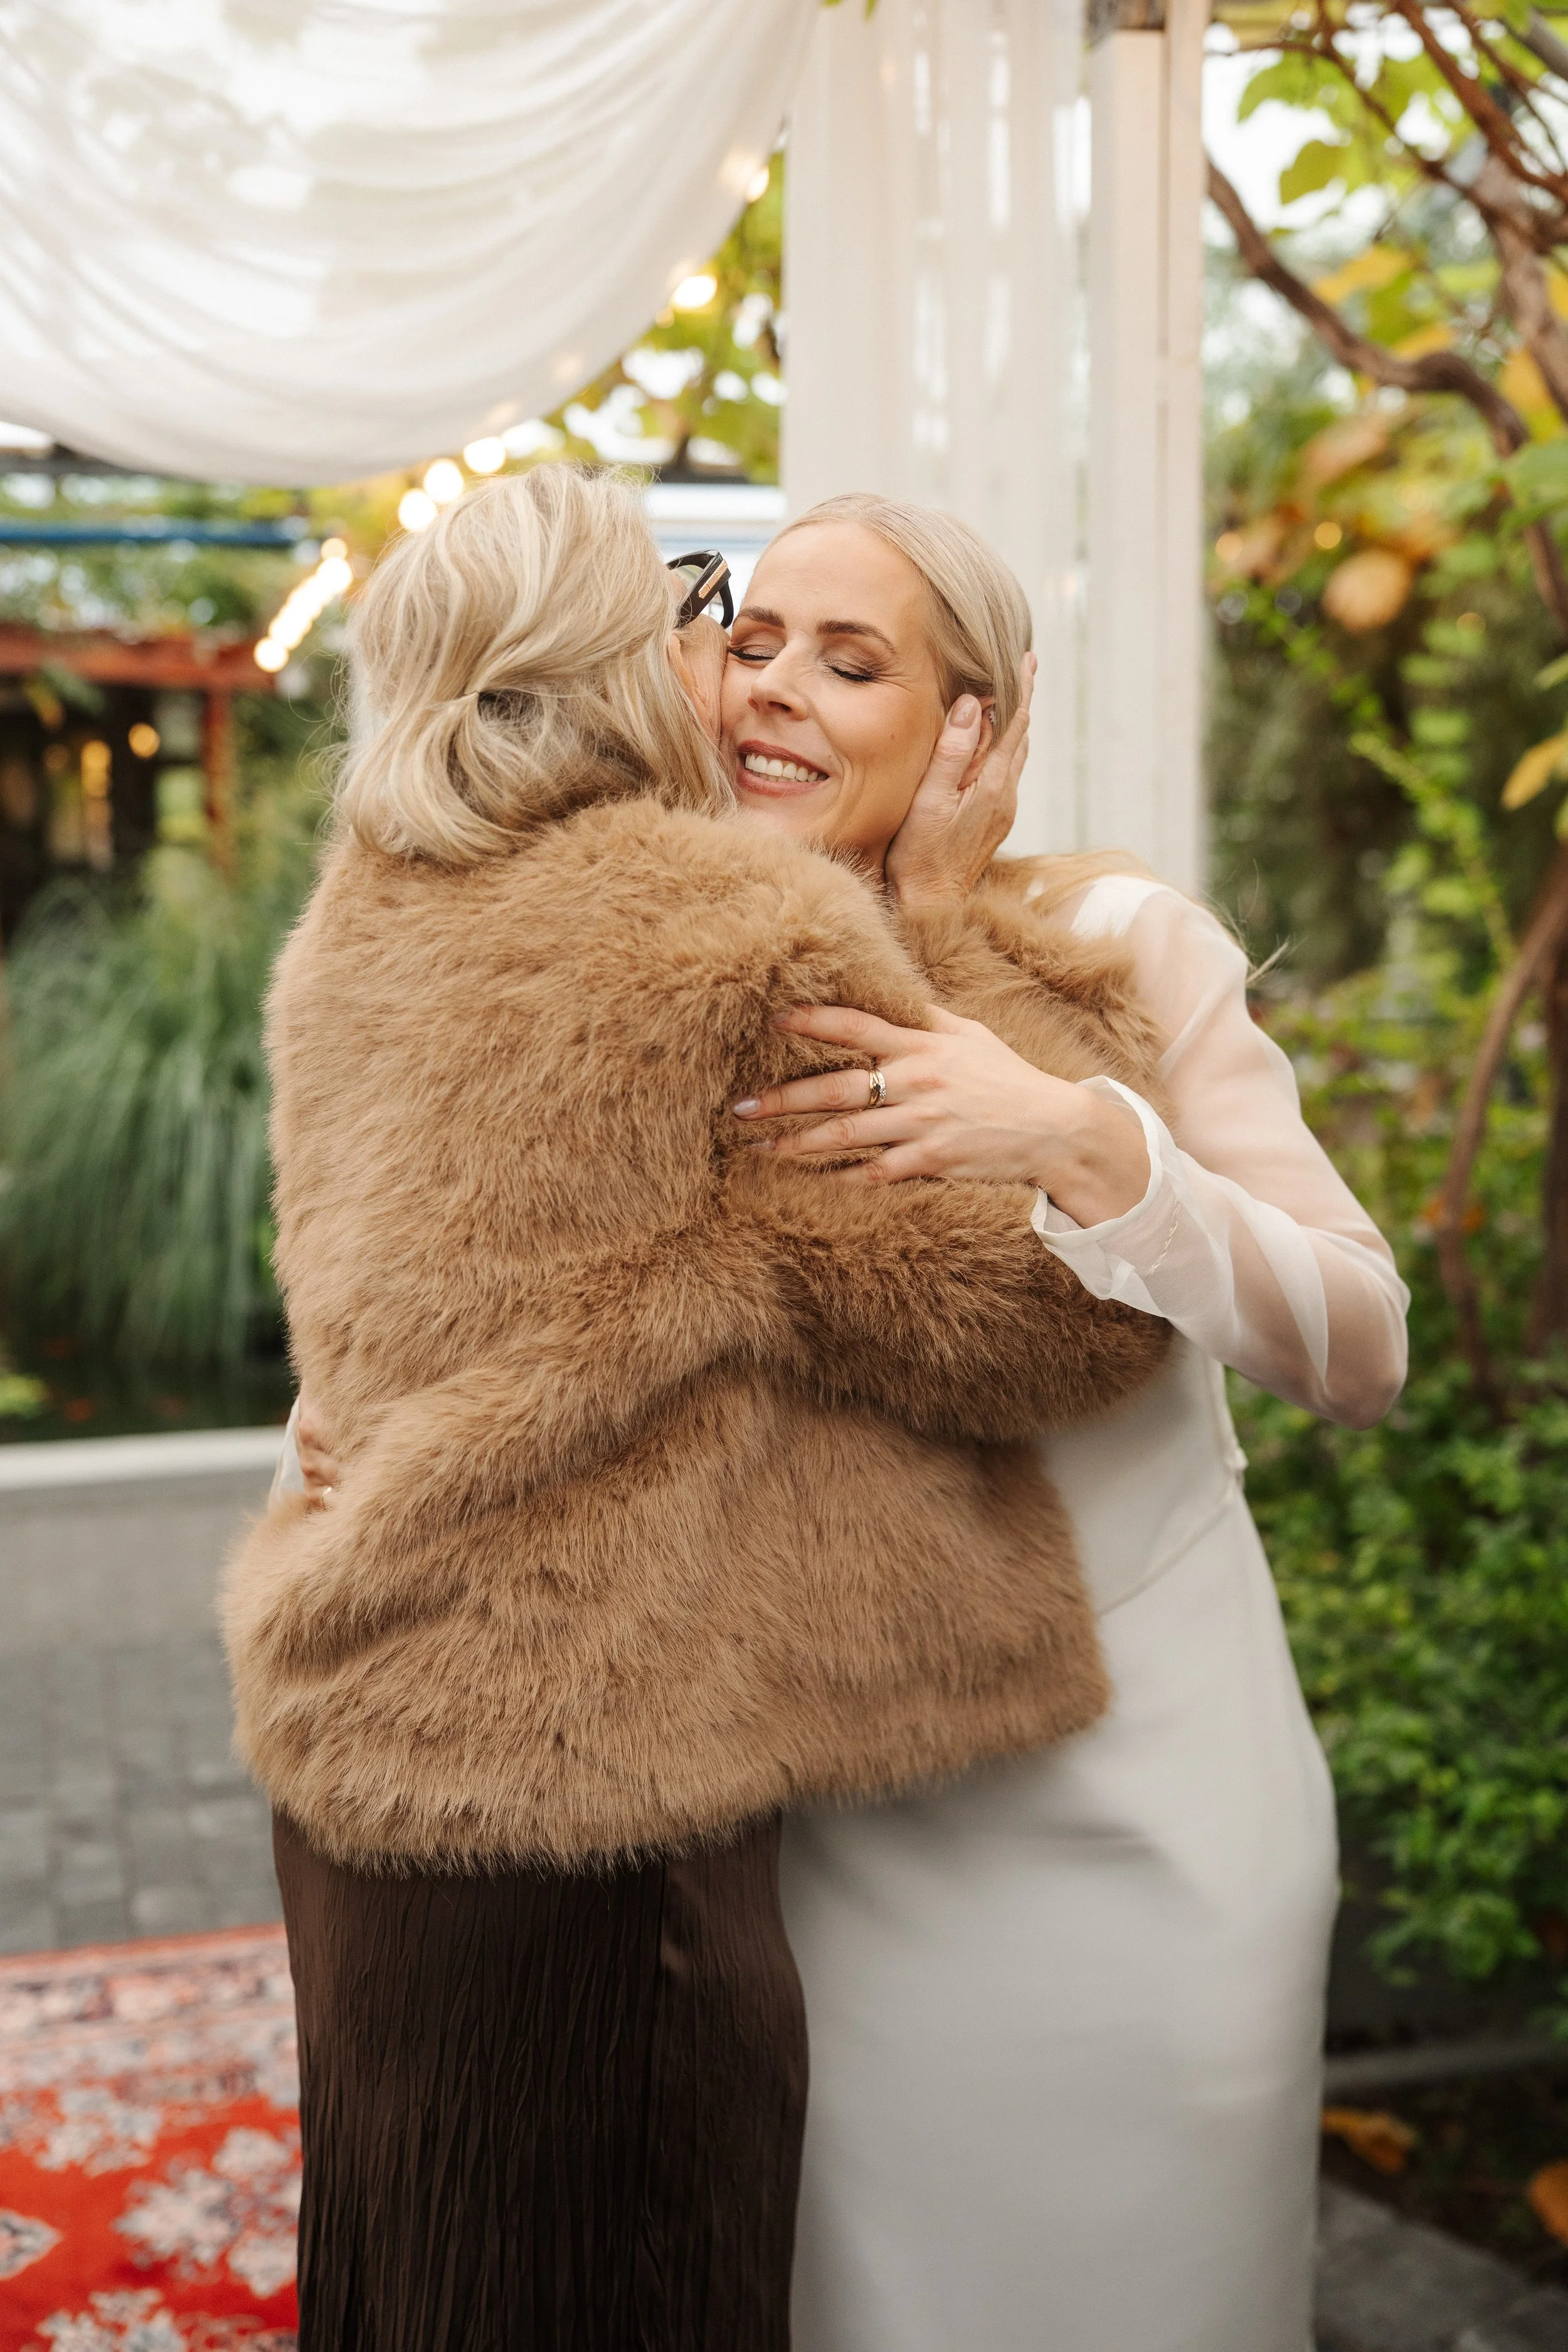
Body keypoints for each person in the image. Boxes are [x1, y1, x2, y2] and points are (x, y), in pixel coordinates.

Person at [286, 486, 1407, 2351]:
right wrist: (341, 1437)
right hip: (815, 1831)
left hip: (1132, 1808)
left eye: (852, 656)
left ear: (974, 719)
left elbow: (1355, 1342)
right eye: (751, 640)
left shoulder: (1127, 943)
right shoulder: (677, 949)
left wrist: (1071, 1131)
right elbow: (490, 1269)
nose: (772, 691)